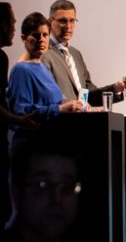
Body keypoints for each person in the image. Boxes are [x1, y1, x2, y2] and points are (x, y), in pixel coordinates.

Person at [5, 13, 84, 149]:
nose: (41, 40)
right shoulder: (21, 70)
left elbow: (51, 102)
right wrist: (60, 108)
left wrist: (76, 105)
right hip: (30, 146)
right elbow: (22, 112)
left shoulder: (42, 68)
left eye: (45, 35)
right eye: (36, 35)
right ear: (24, 38)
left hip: (48, 144)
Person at [41, 0, 126, 106]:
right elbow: (46, 96)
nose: (68, 26)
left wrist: (116, 88)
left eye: (72, 21)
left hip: (84, 120)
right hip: (61, 121)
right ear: (49, 22)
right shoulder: (44, 53)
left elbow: (89, 95)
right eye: (63, 21)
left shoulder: (76, 54)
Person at [1, 3, 40, 224]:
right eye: (12, 23)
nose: (13, 28)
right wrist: (18, 120)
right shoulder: (15, 66)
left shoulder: (38, 67)